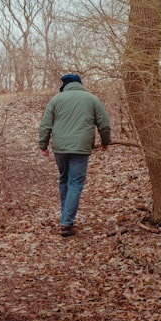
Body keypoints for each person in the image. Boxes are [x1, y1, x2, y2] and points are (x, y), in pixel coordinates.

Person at [37, 73, 112, 237]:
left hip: (60, 148)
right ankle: (66, 222)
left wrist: (43, 145)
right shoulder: (91, 99)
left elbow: (45, 125)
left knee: (64, 179)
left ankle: (66, 218)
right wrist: (106, 141)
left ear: (64, 86)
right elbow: (104, 123)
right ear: (80, 84)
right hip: (81, 148)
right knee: (75, 182)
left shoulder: (56, 100)